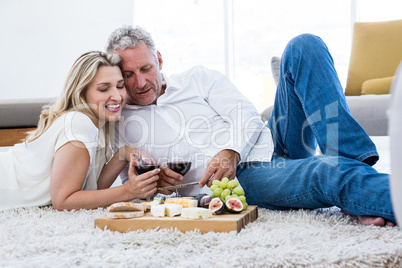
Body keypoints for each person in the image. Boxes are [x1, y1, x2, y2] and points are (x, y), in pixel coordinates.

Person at [107, 25, 395, 226]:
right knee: (327, 172)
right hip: (240, 180)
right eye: (129, 74)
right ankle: (366, 190)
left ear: (158, 60)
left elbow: (244, 112)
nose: (141, 82)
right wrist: (159, 186)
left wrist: (231, 149)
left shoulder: (196, 78)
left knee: (305, 45)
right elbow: (133, 185)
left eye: (146, 69)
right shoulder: (121, 121)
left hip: (272, 138)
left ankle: (357, 180)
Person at [0, 51, 160, 211]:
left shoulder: (98, 124)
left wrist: (122, 154)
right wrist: (128, 191)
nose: (117, 96)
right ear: (82, 93)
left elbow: (89, 191)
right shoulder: (79, 122)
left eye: (120, 86)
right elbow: (64, 201)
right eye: (104, 89)